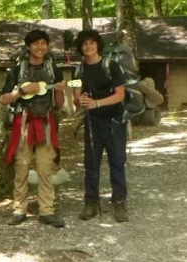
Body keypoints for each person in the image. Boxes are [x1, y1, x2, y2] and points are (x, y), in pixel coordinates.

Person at [0, 29, 67, 228]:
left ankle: (47, 210)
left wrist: (62, 90)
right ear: (28, 46)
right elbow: (3, 99)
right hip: (24, 122)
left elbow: (60, 104)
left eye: (43, 43)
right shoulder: (16, 70)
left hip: (46, 120)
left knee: (46, 167)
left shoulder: (53, 69)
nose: (40, 47)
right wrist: (21, 91)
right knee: (21, 166)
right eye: (36, 44)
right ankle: (19, 209)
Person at [74, 29, 129, 222]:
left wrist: (97, 103)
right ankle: (90, 203)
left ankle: (119, 203)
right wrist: (81, 99)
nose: (88, 46)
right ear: (80, 48)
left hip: (114, 121)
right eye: (84, 44)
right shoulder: (79, 69)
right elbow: (76, 97)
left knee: (117, 162)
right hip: (92, 123)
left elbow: (120, 95)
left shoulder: (111, 65)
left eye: (92, 42)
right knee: (91, 164)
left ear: (98, 45)